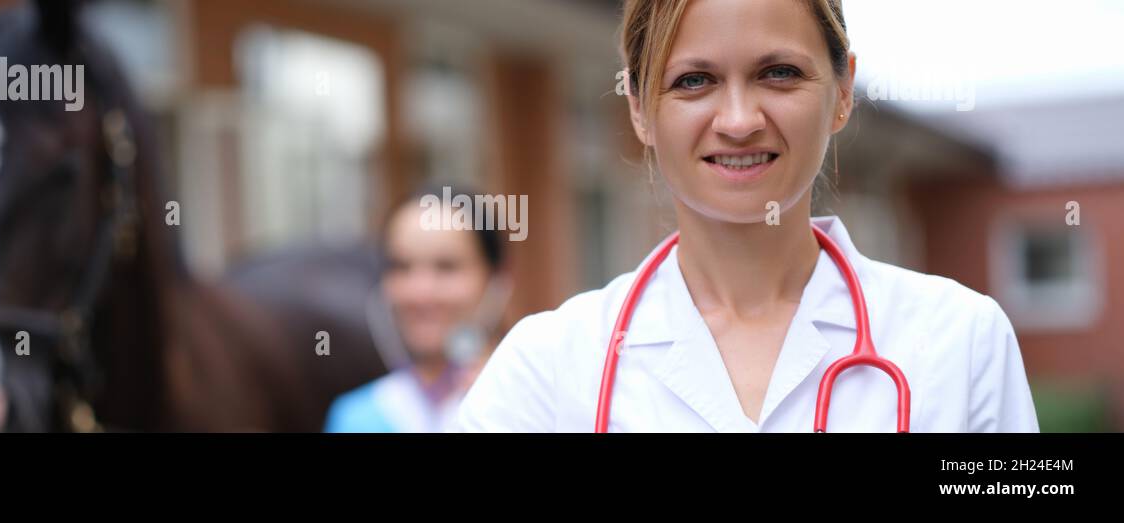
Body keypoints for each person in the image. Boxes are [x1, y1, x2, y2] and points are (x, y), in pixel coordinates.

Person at [454, 0, 1040, 432]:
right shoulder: (545, 369)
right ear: (639, 109)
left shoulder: (960, 342)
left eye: (778, 73)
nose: (738, 120)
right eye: (694, 81)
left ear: (841, 92)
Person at [325, 186, 510, 432]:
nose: (420, 293)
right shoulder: (354, 418)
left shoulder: (528, 407)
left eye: (447, 267)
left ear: (496, 281)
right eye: (401, 267)